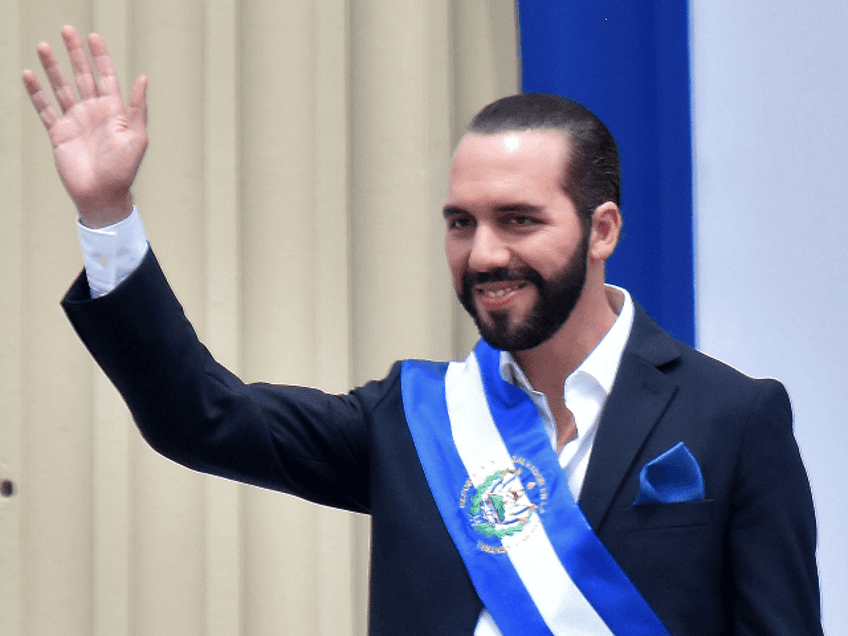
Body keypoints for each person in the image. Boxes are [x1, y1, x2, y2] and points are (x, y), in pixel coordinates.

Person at [24, 26, 822, 636]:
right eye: (459, 223)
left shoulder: (733, 418)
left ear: (601, 229)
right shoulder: (414, 421)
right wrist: (107, 215)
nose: (483, 254)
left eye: (518, 221)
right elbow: (199, 416)